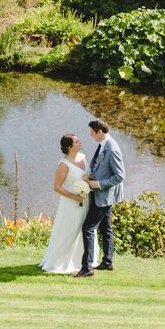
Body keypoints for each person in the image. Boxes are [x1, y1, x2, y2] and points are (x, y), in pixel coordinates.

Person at [77, 117, 124, 276]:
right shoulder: (104, 144)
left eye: (92, 133)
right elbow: (102, 168)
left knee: (88, 228)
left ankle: (87, 268)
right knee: (105, 228)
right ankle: (107, 262)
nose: (90, 135)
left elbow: (119, 176)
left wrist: (98, 184)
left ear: (100, 132)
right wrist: (90, 178)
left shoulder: (112, 149)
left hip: (104, 195)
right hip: (102, 195)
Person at [39, 134, 90, 275]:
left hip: (85, 201)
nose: (80, 142)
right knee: (70, 230)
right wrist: (74, 197)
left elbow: (88, 176)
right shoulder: (64, 164)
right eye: (76, 141)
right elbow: (57, 187)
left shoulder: (83, 157)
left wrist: (88, 180)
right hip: (71, 203)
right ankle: (60, 262)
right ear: (69, 147)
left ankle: (83, 260)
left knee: (84, 230)